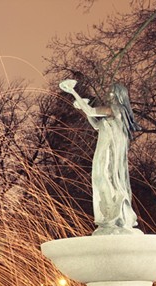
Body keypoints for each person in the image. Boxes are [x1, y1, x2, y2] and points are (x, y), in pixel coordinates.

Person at [59, 79, 143, 235]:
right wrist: (83, 109)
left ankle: (116, 214)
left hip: (109, 154)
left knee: (104, 178)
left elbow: (91, 111)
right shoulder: (111, 113)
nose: (109, 94)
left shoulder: (117, 109)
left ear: (119, 95)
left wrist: (73, 92)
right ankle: (110, 214)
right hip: (103, 152)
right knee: (99, 179)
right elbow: (96, 125)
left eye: (112, 91)